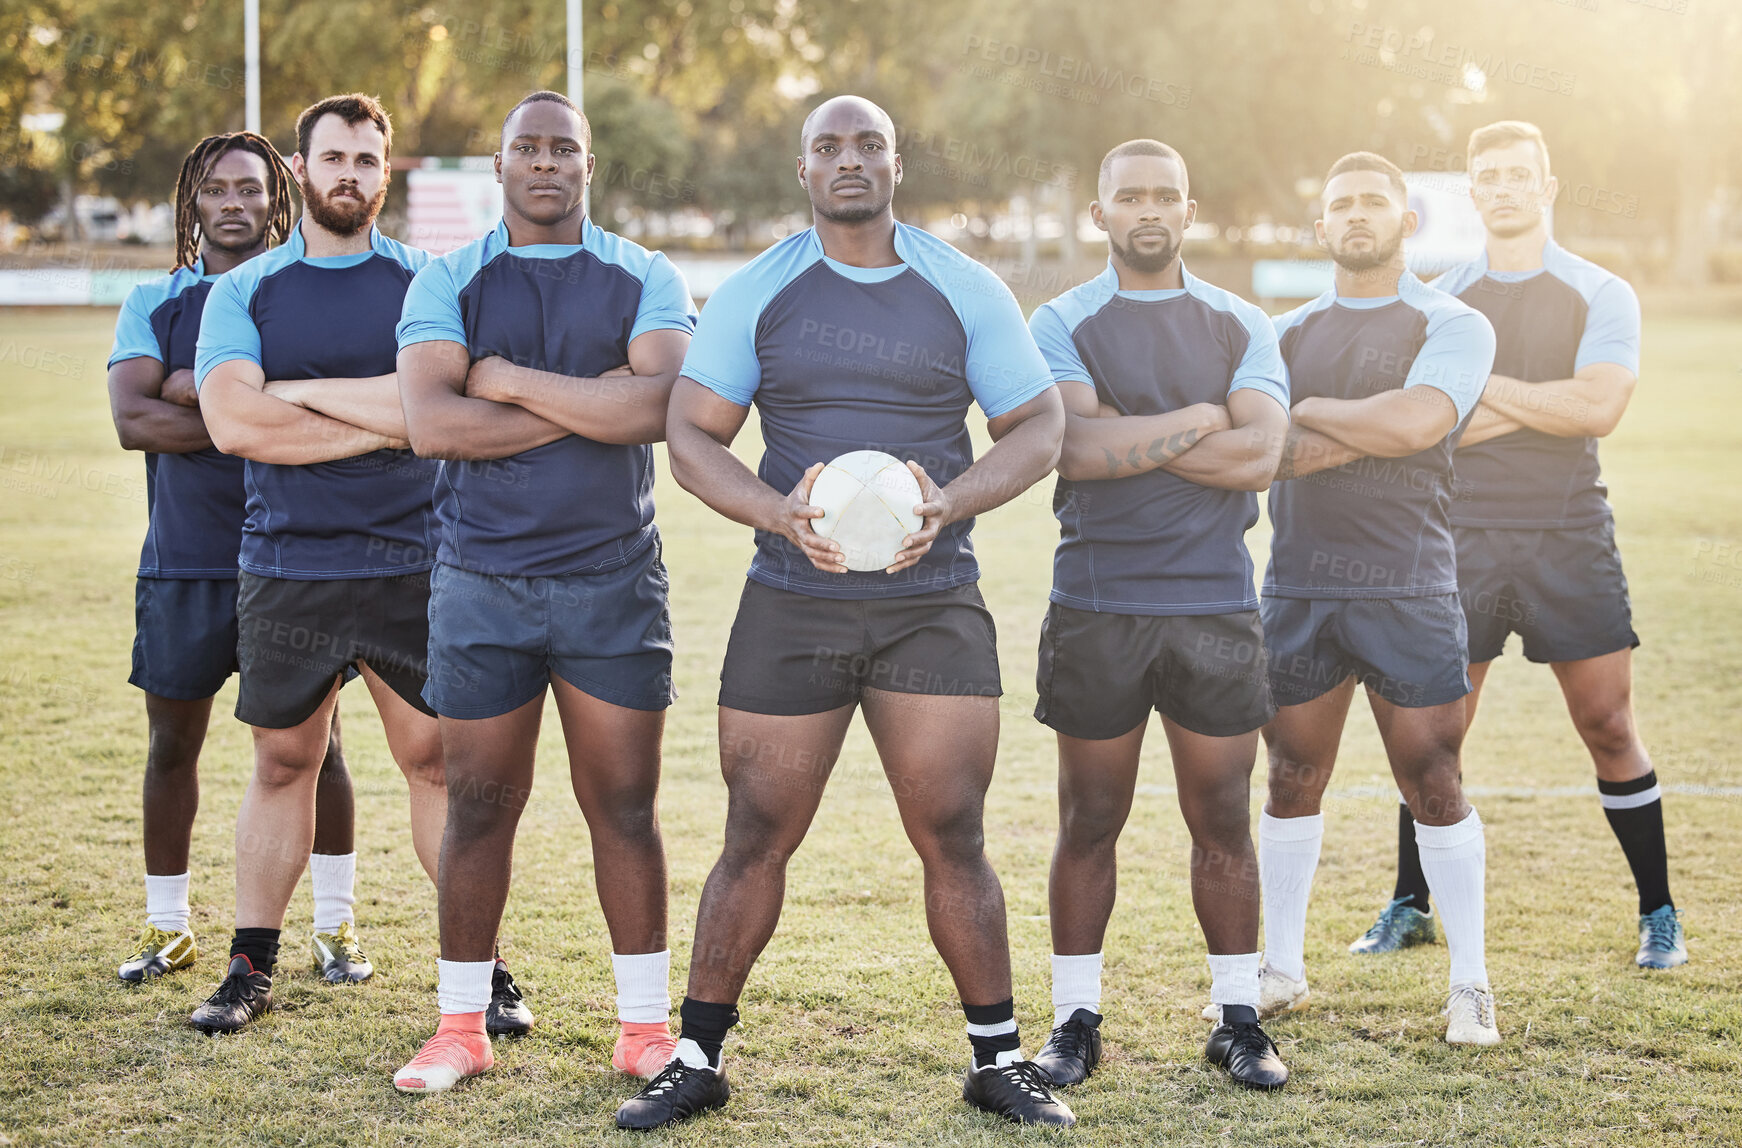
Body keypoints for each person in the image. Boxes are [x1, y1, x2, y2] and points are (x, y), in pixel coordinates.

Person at [615, 95, 1074, 1129]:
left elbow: (1038, 422)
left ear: (895, 163)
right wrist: (779, 514)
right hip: (793, 601)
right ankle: (696, 1054)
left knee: (952, 828)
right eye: (829, 145)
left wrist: (950, 500)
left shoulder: (960, 285)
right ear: (803, 168)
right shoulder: (758, 290)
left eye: (868, 143)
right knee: (754, 830)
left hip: (931, 603)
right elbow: (691, 436)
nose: (849, 159)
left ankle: (996, 1059)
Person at [390, 90, 696, 1094]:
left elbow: (660, 404)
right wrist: (590, 405)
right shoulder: (448, 276)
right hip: (481, 582)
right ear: (502, 164)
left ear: (588, 163)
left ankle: (644, 1029)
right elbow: (433, 424)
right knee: (477, 803)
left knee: (624, 805)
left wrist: (510, 379)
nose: (546, 161)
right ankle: (460, 1026)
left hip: (612, 580)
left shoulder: (641, 272)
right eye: (527, 146)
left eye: (564, 145)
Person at [1350, 121, 1684, 970]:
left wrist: (1478, 389)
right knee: (1433, 732)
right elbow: (1428, 425)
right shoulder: (1441, 296)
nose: (1503, 188)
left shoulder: (1600, 292)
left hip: (1570, 536)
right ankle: (1407, 903)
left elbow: (1600, 409)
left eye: (1518, 175)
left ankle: (1660, 913)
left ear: (1547, 185)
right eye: (1488, 176)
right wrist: (1543, 400)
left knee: (1608, 723)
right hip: (1454, 539)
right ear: (1472, 192)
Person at [1024, 139, 1291, 1090]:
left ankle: (1239, 1019)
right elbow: (1076, 451)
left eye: (1165, 196)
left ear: (1190, 211)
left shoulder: (1239, 321)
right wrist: (1207, 419)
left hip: (1216, 604)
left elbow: (1260, 456)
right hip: (1099, 605)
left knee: (1222, 815)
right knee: (1090, 817)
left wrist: (1137, 434)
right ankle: (1074, 1023)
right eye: (1129, 196)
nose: (1148, 210)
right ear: (1099, 214)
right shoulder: (1061, 318)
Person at [188, 93, 446, 1033]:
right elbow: (231, 423)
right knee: (283, 762)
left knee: (436, 764)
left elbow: (436, 414)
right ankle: (250, 967)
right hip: (288, 565)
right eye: (333, 158)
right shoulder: (243, 290)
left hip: (414, 560)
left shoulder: (425, 282)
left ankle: (479, 970)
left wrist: (296, 401)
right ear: (301, 171)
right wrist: (378, 416)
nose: (351, 174)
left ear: (387, 171)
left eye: (367, 161)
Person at [1253, 151, 1501, 1046]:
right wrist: (1371, 425)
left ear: (1409, 222)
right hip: (1301, 586)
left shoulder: (1455, 322)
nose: (1357, 214)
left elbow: (1420, 422)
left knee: (1434, 780)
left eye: (1374, 201)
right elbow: (1263, 453)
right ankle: (1279, 970)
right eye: (1340, 203)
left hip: (1410, 586)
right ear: (1321, 227)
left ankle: (1469, 984)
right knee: (1289, 777)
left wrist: (1311, 408)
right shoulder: (1278, 330)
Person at [106, 131, 360, 987]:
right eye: (217, 189)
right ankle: (168, 925)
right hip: (187, 560)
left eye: (250, 188)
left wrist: (197, 390)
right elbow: (133, 420)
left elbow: (300, 415)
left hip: (295, 561)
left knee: (317, 752)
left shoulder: (288, 295)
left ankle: (334, 928)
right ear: (194, 201)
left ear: (275, 197)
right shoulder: (153, 298)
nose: (235, 203)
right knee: (172, 743)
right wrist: (240, 416)